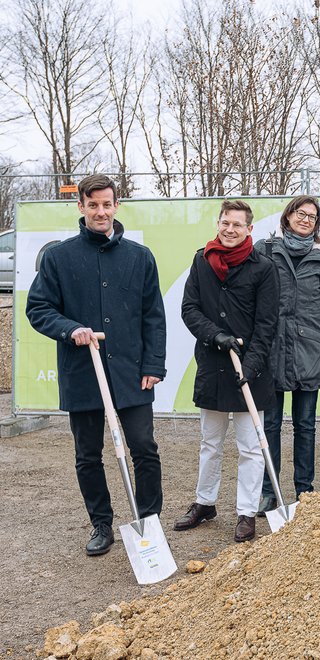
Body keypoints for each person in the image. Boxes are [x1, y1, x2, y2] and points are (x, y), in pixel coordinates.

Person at [26, 174, 167, 556]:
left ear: (116, 205)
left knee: (144, 448)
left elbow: (153, 315)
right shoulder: (59, 257)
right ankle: (101, 524)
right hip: (83, 373)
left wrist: (154, 364)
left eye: (107, 204)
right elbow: (38, 308)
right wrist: (70, 329)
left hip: (132, 373)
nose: (100, 211)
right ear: (81, 207)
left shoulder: (139, 257)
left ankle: (149, 520)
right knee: (88, 454)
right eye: (93, 205)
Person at [175, 200, 279, 543]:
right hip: (213, 366)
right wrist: (215, 335)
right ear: (218, 224)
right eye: (225, 223)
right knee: (210, 442)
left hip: (252, 371)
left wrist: (250, 366)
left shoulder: (263, 267)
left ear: (249, 229)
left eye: (237, 224)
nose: (230, 229)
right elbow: (189, 308)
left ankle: (247, 511)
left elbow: (267, 325)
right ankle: (205, 503)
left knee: (251, 447)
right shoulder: (202, 260)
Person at [254, 196, 320, 514]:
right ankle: (269, 490)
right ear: (287, 216)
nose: (306, 219)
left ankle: (305, 489)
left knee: (306, 425)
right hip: (272, 352)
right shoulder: (265, 250)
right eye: (300, 213)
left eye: (312, 216)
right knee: (271, 425)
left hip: (310, 353)